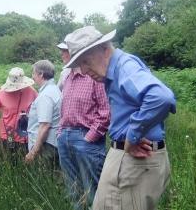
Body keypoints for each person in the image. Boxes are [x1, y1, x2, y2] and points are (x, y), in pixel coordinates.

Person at [64, 26, 176, 210]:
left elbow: (161, 97)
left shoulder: (124, 66)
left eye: (85, 61)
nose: (83, 71)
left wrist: (132, 135)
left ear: (104, 49)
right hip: (130, 159)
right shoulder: (117, 69)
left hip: (135, 161)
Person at [57, 53, 110, 210]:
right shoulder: (67, 77)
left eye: (66, 51)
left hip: (86, 138)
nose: (62, 55)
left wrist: (89, 137)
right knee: (73, 191)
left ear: (77, 55)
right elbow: (64, 109)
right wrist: (61, 132)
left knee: (93, 190)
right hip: (65, 137)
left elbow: (106, 112)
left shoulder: (95, 77)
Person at [0, 67, 37, 168]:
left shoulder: (31, 92)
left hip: (24, 136)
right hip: (7, 135)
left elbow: (40, 108)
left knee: (23, 167)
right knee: (4, 164)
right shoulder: (2, 92)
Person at [25, 60, 61, 172]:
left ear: (41, 74)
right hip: (54, 144)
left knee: (43, 182)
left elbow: (45, 126)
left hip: (46, 147)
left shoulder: (45, 95)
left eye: (34, 73)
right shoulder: (55, 90)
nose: (33, 76)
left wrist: (33, 152)